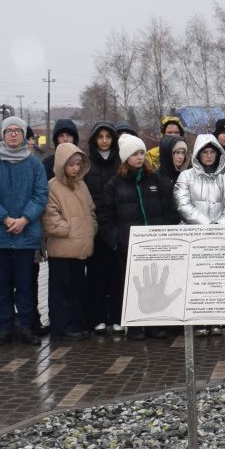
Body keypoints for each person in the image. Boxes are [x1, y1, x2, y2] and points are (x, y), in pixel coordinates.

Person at [0, 116, 49, 347]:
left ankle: (26, 327)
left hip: (26, 236)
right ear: (3, 134)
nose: (14, 134)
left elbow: (41, 196)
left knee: (26, 284)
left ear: (24, 134)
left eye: (18, 130)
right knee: (1, 285)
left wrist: (25, 219)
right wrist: (5, 218)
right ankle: (5, 328)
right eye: (9, 130)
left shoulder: (35, 164)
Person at [101, 133, 178, 338]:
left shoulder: (155, 179)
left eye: (142, 153)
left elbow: (170, 209)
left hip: (156, 245)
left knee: (156, 284)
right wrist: (118, 241)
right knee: (133, 286)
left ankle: (155, 324)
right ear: (125, 156)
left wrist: (167, 233)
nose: (139, 157)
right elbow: (106, 217)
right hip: (129, 247)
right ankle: (135, 326)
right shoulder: (114, 184)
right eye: (134, 153)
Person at [42, 143, 96, 339]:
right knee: (61, 290)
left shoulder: (82, 185)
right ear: (61, 164)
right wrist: (70, 230)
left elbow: (91, 211)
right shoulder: (52, 186)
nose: (75, 168)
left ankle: (77, 323)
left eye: (78, 164)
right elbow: (49, 216)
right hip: (62, 248)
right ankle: (62, 326)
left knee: (77, 288)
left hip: (80, 247)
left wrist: (91, 228)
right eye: (71, 164)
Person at [82, 122, 123, 333]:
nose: (104, 140)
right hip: (95, 228)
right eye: (100, 137)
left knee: (116, 275)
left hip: (116, 228)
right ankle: (97, 318)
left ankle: (117, 317)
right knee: (96, 275)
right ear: (94, 140)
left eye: (108, 136)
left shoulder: (120, 163)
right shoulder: (87, 165)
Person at [178, 134, 225, 227]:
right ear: (198, 153)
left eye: (212, 152)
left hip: (219, 233)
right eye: (204, 152)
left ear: (218, 153)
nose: (209, 156)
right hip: (191, 233)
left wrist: (219, 224)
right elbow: (183, 205)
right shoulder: (185, 176)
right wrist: (207, 224)